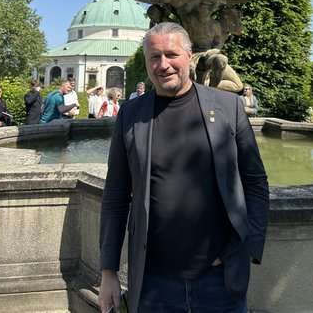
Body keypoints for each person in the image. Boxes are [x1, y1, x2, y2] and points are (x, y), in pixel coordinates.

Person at [99, 22, 269, 313]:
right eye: (154, 57)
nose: (163, 64)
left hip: (219, 279)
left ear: (189, 56)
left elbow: (255, 182)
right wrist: (108, 271)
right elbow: (116, 194)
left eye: (171, 54)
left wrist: (245, 247)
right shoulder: (131, 113)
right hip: (154, 282)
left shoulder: (228, 106)